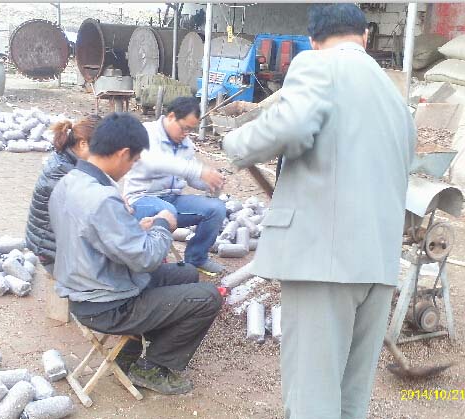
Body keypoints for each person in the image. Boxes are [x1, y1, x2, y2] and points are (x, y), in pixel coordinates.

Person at [222, 4, 416, 419]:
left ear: (312, 39)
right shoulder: (394, 96)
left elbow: (290, 127)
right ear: (365, 37)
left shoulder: (317, 64)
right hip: (378, 266)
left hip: (324, 264)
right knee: (350, 401)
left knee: (312, 400)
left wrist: (236, 144)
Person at [49, 112, 222, 395]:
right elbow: (147, 258)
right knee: (207, 298)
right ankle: (152, 367)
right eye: (133, 161)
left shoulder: (71, 182)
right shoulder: (102, 198)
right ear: (123, 153)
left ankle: (141, 347)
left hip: (88, 282)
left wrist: (132, 227)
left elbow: (92, 237)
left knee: (187, 273)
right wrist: (164, 225)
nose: (132, 168)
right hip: (106, 304)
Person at [124, 97, 227, 274]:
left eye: (190, 130)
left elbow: (190, 177)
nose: (186, 134)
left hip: (172, 200)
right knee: (167, 210)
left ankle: (196, 258)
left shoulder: (186, 145)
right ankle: (155, 260)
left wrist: (209, 182)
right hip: (141, 199)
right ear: (171, 116)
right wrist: (198, 171)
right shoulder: (146, 133)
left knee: (216, 208)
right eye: (184, 128)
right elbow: (154, 162)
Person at [25, 115, 101, 274]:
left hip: (52, 246)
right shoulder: (63, 172)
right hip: (52, 255)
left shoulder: (66, 159)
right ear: (83, 144)